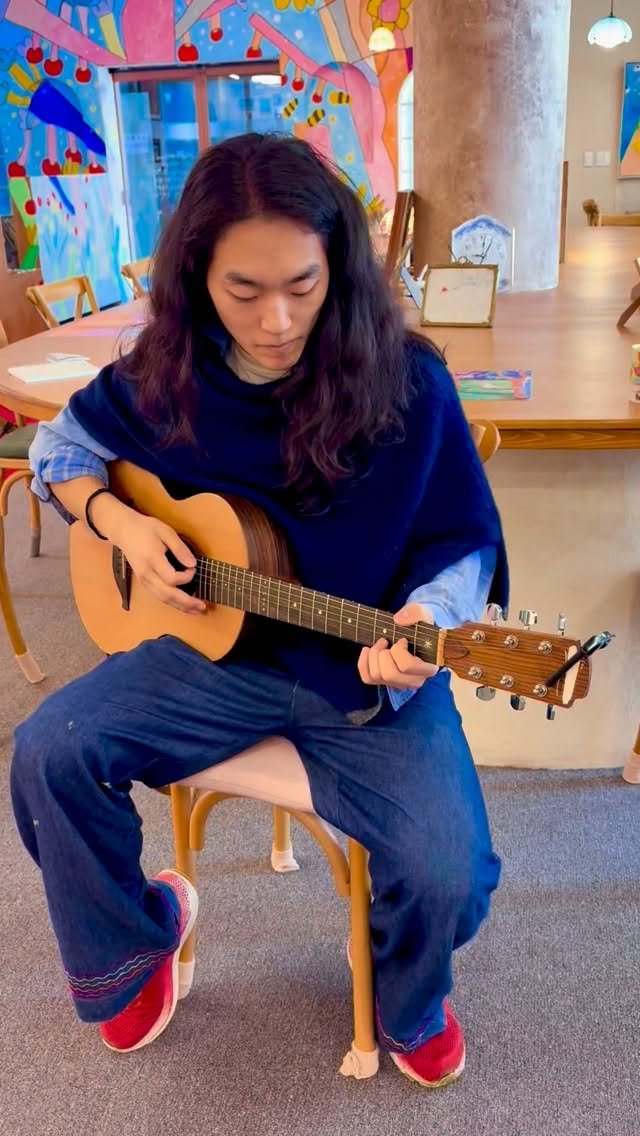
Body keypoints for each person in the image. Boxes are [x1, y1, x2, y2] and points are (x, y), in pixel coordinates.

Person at [11, 133, 507, 1087]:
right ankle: (135, 940)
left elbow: (462, 539)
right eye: (243, 291)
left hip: (365, 679)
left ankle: (406, 989)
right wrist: (120, 522)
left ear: (338, 269)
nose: (277, 321)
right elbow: (59, 451)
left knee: (449, 875)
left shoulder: (407, 382)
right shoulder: (166, 373)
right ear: (197, 278)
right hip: (209, 658)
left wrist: (426, 621)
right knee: (47, 752)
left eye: (302, 286)